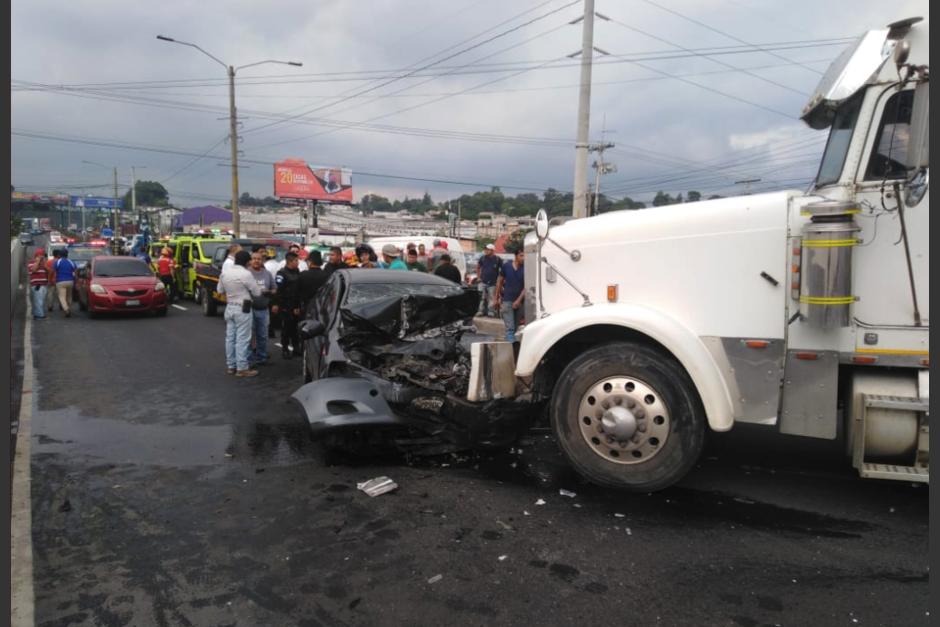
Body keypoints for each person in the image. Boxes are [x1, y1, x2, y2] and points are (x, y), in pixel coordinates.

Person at [218, 250, 261, 377]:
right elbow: (257, 292)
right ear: (247, 262)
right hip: (243, 308)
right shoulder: (246, 274)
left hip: (229, 306)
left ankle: (231, 366)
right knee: (242, 338)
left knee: (230, 338)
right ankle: (242, 368)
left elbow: (220, 290)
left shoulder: (225, 273)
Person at [247, 250, 276, 368]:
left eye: (259, 259)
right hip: (249, 309)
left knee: (263, 335)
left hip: (263, 309)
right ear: (250, 260)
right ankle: (249, 360)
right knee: (249, 336)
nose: (256, 261)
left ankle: (262, 357)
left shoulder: (267, 273)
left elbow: (275, 288)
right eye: (254, 259)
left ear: (262, 260)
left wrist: (269, 292)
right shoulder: (247, 273)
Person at [274, 252, 303, 359]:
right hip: (285, 304)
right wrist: (277, 304)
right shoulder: (281, 273)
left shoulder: (297, 271)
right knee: (286, 328)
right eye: (296, 260)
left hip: (295, 303)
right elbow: (279, 290)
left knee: (295, 327)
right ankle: (285, 348)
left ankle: (296, 347)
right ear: (290, 261)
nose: (298, 262)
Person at [495, 249, 525, 342]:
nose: (524, 258)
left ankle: (508, 344)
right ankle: (511, 346)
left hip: (520, 302)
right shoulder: (506, 266)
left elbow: (526, 287)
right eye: (521, 255)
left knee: (515, 328)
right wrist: (496, 298)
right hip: (507, 300)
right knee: (510, 329)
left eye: (525, 256)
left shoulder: (526, 268)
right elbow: (499, 282)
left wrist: (518, 301)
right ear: (516, 256)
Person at [476, 244, 501, 317]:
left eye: (488, 249)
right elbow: (478, 267)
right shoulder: (482, 258)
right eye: (485, 249)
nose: (486, 251)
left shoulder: (497, 259)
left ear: (492, 250)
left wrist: (499, 280)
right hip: (483, 281)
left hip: (493, 282)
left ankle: (491, 312)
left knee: (491, 297)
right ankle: (480, 311)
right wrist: (478, 277)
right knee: (481, 297)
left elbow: (502, 270)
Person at [53, 248, 77, 317]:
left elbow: (54, 271)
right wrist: (75, 280)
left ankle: (66, 309)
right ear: (67, 254)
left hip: (60, 281)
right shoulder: (71, 262)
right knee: (69, 296)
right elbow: (75, 271)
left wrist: (54, 279)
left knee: (62, 296)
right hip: (70, 281)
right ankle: (69, 307)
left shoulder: (58, 262)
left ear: (60, 255)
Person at [28, 249, 51, 320]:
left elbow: (50, 271)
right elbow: (33, 269)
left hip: (44, 284)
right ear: (36, 256)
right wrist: (38, 262)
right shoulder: (31, 263)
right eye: (40, 256)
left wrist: (43, 264)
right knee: (38, 301)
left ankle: (36, 314)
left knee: (41, 301)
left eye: (43, 256)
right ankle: (39, 316)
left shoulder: (43, 264)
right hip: (37, 285)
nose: (42, 257)